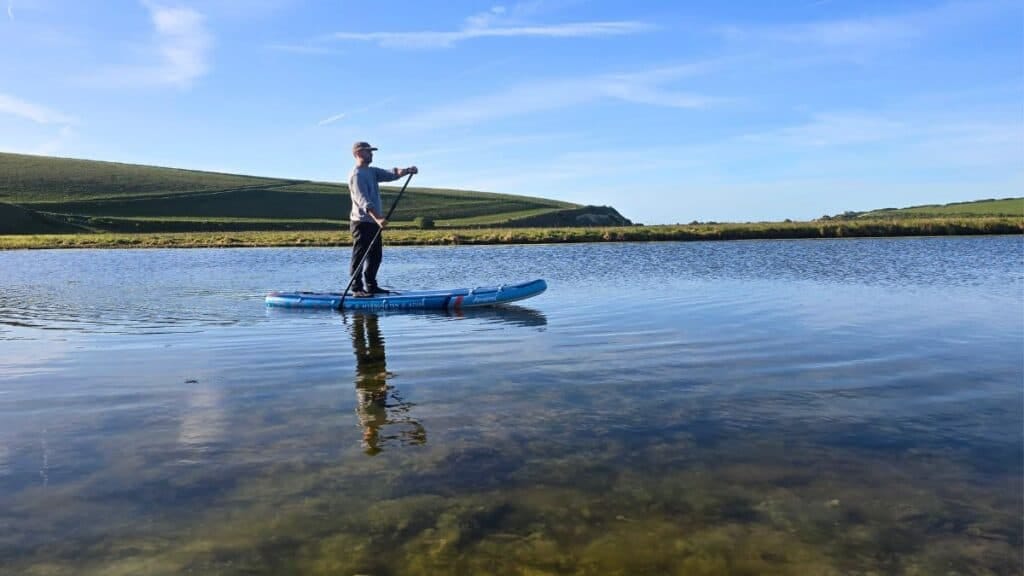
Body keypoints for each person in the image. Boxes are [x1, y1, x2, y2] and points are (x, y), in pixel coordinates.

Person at [347, 141, 418, 297]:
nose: (371, 154)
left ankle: (371, 286)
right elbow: (363, 201)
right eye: (368, 151)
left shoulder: (371, 172)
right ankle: (356, 288)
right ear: (358, 154)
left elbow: (391, 173)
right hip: (361, 222)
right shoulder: (356, 175)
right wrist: (379, 218)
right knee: (360, 255)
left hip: (373, 223)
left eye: (371, 151)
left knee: (375, 256)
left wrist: (407, 171)